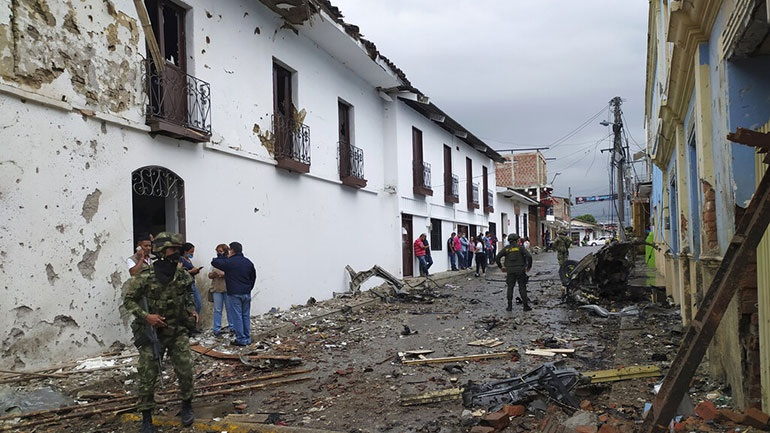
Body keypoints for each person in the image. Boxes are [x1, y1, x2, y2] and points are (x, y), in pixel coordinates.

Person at [122, 232, 198, 433]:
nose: (177, 254)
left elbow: (188, 294)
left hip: (177, 331)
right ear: (162, 252)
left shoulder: (182, 275)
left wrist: (192, 310)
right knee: (148, 375)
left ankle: (187, 406)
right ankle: (147, 418)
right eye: (173, 250)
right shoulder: (145, 276)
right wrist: (147, 317)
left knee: (185, 370)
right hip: (152, 333)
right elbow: (128, 301)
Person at [211, 242, 257, 346]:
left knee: (237, 316)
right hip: (246, 292)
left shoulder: (230, 262)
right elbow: (253, 276)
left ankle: (240, 339)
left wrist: (221, 255)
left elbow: (215, 262)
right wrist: (249, 288)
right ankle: (247, 338)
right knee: (245, 315)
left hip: (235, 293)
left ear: (231, 250)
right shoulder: (248, 262)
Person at [496, 233, 533, 312]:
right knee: (522, 287)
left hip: (510, 271)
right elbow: (529, 256)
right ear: (517, 240)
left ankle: (509, 306)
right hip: (520, 270)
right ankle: (525, 306)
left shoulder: (506, 249)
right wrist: (529, 266)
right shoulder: (520, 248)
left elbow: (497, 257)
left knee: (510, 288)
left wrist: (501, 267)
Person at [207, 243, 232, 337]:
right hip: (217, 288)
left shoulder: (229, 261)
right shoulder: (214, 262)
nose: (218, 253)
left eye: (220, 251)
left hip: (227, 288)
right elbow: (209, 274)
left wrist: (224, 274)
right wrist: (214, 274)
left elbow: (233, 273)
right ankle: (216, 328)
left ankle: (232, 327)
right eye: (217, 251)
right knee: (217, 309)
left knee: (229, 308)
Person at [180, 243, 203, 317]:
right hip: (186, 284)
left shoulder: (188, 260)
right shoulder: (181, 260)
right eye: (190, 251)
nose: (192, 253)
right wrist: (191, 271)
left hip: (192, 282)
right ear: (185, 251)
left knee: (198, 303)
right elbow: (179, 272)